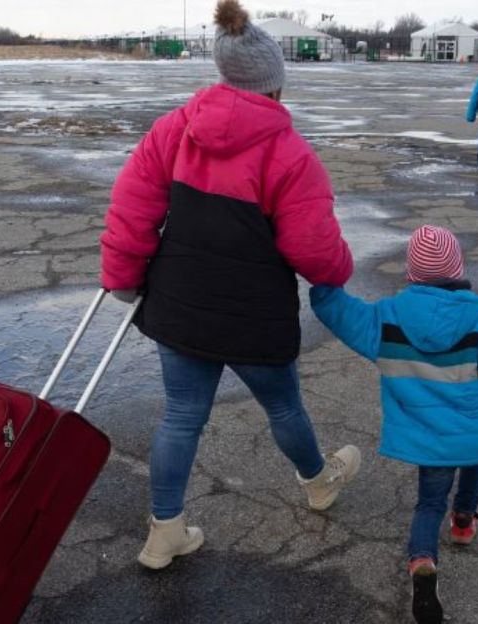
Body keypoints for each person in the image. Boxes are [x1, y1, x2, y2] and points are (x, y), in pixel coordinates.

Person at [100, 0, 361, 570]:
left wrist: (122, 278)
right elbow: (312, 248)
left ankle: (163, 530)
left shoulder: (174, 130)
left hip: (180, 305)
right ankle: (318, 481)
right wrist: (339, 272)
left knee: (181, 416)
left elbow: (132, 206)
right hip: (253, 315)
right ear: (273, 85)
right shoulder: (290, 154)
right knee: (284, 407)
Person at [309, 225, 478, 624]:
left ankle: (421, 563)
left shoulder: (387, 318)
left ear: (411, 273)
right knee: (473, 460)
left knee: (429, 502)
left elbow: (339, 311)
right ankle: (465, 522)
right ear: (458, 269)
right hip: (475, 428)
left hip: (427, 436)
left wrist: (321, 281)